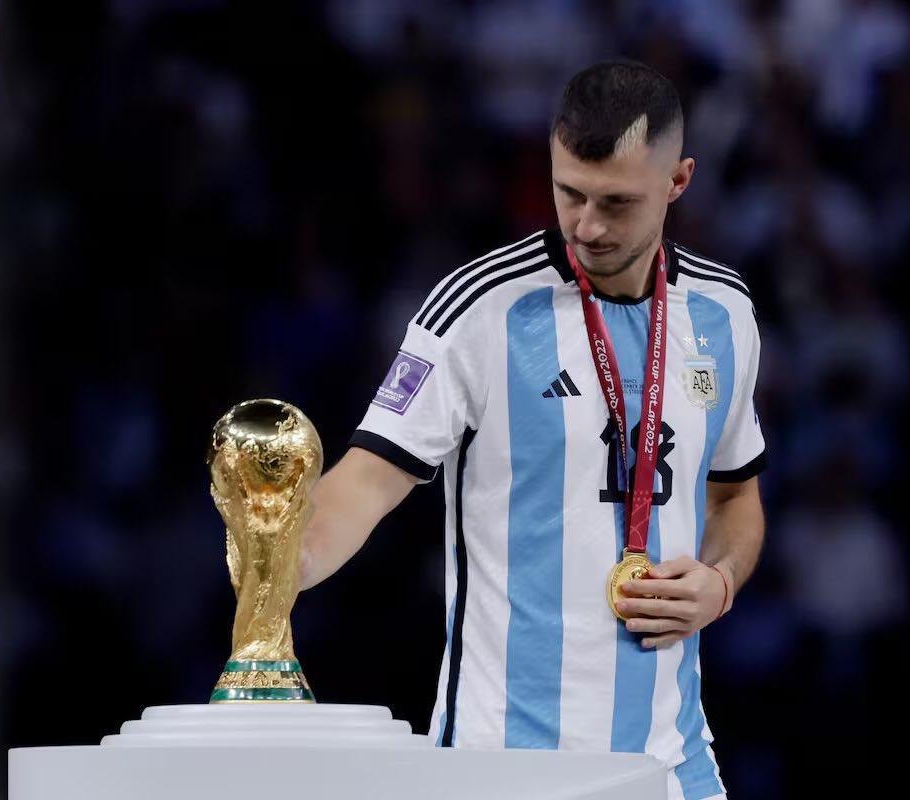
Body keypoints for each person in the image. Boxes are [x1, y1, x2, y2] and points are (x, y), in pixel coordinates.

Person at [300, 60, 766, 800]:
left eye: (616, 202)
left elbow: (736, 496)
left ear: (678, 181)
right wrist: (278, 561)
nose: (587, 225)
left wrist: (721, 580)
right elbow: (366, 481)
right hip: (503, 771)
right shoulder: (479, 308)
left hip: (674, 769)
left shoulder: (724, 311)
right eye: (569, 192)